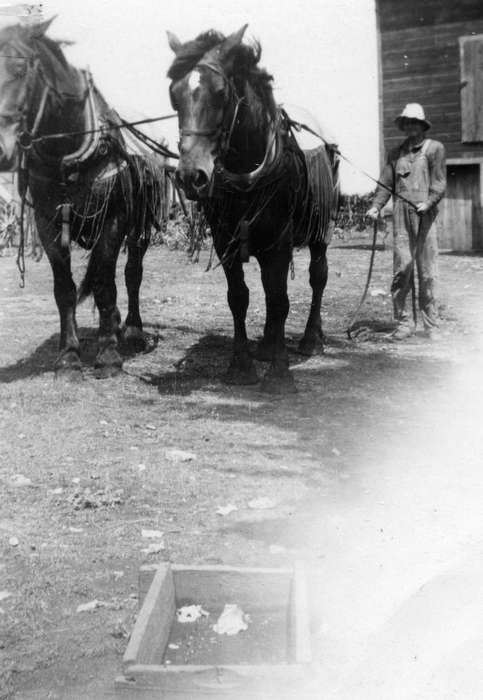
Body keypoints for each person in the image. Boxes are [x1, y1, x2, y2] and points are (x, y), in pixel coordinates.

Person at [366, 103, 446, 339]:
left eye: (415, 122)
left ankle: (431, 325)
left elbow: (439, 182)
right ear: (404, 126)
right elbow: (385, 185)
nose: (411, 126)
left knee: (428, 272)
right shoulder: (395, 154)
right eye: (407, 122)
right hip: (401, 217)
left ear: (422, 125)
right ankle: (404, 324)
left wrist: (429, 202)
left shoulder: (435, 149)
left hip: (425, 217)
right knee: (402, 269)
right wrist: (375, 206)